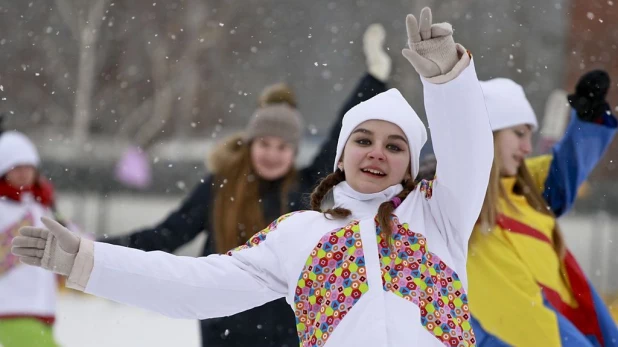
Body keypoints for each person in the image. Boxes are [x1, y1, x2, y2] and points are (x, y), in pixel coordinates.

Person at [12, 7, 494, 346]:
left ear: (411, 165)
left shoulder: (440, 215)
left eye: (395, 146)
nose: (377, 153)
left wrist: (449, 81)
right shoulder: (300, 233)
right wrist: (90, 262)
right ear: (341, 156)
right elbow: (193, 284)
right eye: (363, 140)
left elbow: (470, 151)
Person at [98, 24, 393, 347]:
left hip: (286, 334)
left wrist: (374, 78)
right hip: (223, 333)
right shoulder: (219, 187)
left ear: (293, 153)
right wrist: (95, 250)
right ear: (250, 143)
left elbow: (341, 135)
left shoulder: (306, 189)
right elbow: (169, 234)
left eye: (283, 148)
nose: (272, 154)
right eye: (265, 144)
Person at [467, 71, 618, 346]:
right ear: (487, 132)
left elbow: (561, 176)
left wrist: (586, 120)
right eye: (519, 134)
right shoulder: (457, 200)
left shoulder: (520, 187)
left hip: (568, 324)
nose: (527, 147)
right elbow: (518, 314)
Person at [0, 123, 59, 347]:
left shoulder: (42, 206)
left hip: (43, 306)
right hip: (9, 307)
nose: (24, 172)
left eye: (28, 166)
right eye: (16, 167)